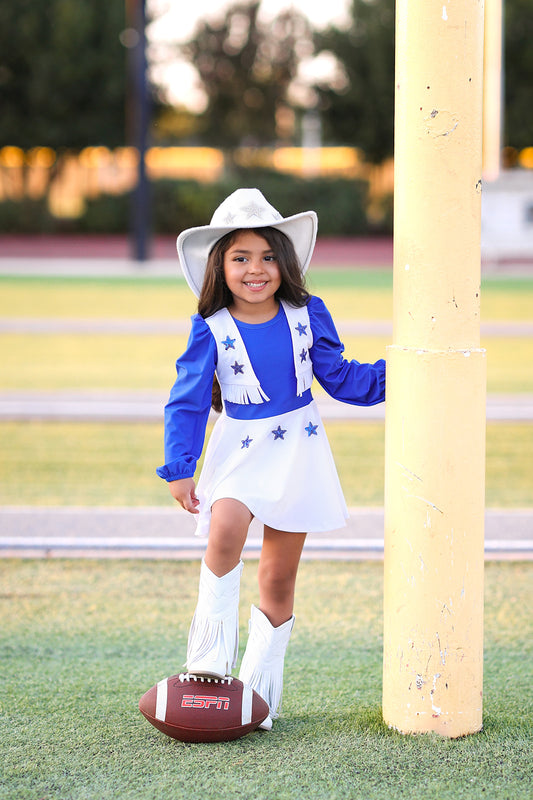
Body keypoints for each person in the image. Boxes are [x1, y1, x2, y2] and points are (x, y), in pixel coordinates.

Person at [157, 188, 386, 730]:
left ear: (285, 262)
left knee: (278, 579)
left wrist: (401, 371)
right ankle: (207, 661)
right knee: (225, 530)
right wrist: (180, 467)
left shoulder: (308, 314)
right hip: (238, 452)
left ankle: (258, 698)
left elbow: (341, 378)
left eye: (267, 257)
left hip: (298, 453)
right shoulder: (210, 327)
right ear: (220, 265)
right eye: (241, 258)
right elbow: (188, 399)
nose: (255, 269)